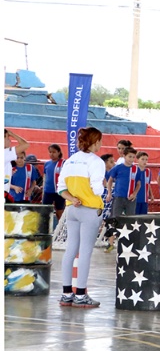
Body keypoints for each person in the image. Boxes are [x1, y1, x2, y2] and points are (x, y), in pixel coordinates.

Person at [56, 127, 106, 308]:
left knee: (70, 250)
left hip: (72, 209)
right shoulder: (96, 162)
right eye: (99, 140)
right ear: (94, 142)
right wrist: (103, 188)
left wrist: (72, 198)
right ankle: (80, 294)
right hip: (90, 210)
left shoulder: (70, 161)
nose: (101, 144)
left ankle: (66, 293)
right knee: (85, 252)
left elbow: (61, 187)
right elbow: (97, 189)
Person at [105, 147, 142, 218]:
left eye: (133, 157)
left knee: (130, 219)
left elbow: (138, 184)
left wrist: (134, 194)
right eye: (130, 156)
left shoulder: (136, 169)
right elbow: (110, 181)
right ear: (124, 156)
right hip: (118, 197)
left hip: (131, 198)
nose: (131, 159)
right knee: (115, 217)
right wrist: (109, 193)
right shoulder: (117, 168)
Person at [42, 144, 66, 221]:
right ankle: (46, 229)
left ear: (59, 152)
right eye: (50, 152)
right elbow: (45, 177)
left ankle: (61, 230)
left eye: (54, 152)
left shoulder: (63, 163)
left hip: (59, 192)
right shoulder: (47, 163)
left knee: (60, 211)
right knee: (46, 211)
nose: (51, 154)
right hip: (48, 191)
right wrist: (43, 188)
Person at [4, 129, 29, 200]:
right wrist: (12, 134)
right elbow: (25, 145)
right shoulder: (4, 153)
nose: (10, 141)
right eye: (7, 138)